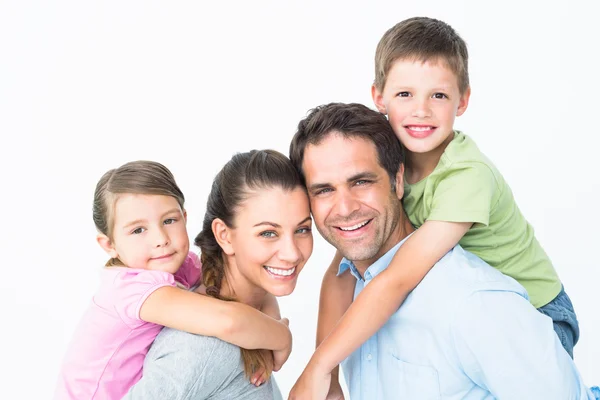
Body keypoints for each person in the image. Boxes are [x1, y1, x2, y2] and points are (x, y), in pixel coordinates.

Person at [293, 16, 581, 397]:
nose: (421, 112)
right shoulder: (399, 156)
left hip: (540, 308)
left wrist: (320, 365)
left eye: (439, 96)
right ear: (380, 97)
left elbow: (396, 280)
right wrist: (326, 377)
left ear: (463, 100)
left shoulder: (466, 175)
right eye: (405, 95)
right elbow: (341, 272)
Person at [54, 160, 292, 400]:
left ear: (184, 217)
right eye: (138, 230)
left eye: (169, 220)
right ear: (110, 245)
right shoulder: (130, 288)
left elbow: (249, 286)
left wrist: (266, 335)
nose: (161, 239)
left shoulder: (179, 264)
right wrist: (281, 337)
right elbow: (228, 320)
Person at [124, 150, 313, 399]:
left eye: (302, 229)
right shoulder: (203, 348)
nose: (291, 253)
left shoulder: (253, 321)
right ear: (224, 235)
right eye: (268, 233)